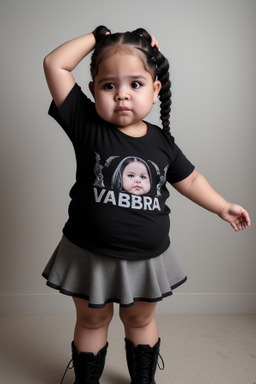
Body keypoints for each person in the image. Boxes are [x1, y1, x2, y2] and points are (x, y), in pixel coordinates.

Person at [42, 26, 251, 384]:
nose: (122, 95)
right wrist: (99, 35)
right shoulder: (86, 123)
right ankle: (86, 379)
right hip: (90, 253)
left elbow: (192, 179)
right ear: (93, 91)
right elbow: (54, 64)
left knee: (139, 319)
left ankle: (143, 379)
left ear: (155, 91)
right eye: (109, 86)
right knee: (93, 319)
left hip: (146, 257)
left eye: (135, 84)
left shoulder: (162, 143)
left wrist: (222, 206)